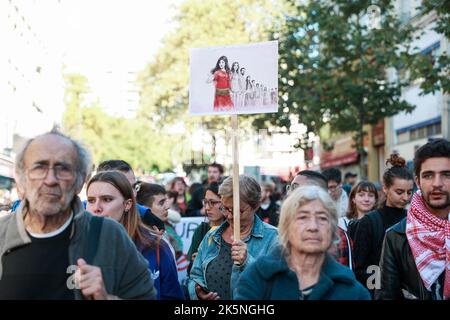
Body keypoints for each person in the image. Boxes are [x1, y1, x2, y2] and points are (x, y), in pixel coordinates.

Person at [0, 130, 155, 300]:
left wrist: (106, 297)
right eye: (39, 167)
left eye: (63, 169)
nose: (50, 179)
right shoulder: (2, 235)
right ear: (20, 178)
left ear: (80, 181)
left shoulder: (109, 235)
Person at [234, 185, 371, 300]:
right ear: (287, 225)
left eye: (322, 218)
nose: (313, 226)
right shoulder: (258, 277)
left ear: (332, 229)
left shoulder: (351, 291)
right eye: (303, 217)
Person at [86, 171, 184, 300]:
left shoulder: (156, 247)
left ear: (127, 204)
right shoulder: (75, 244)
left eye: (107, 199)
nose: (96, 208)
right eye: (91, 200)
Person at [377, 138, 450, 300]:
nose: (437, 184)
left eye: (446, 175)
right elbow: (386, 295)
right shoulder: (396, 237)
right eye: (428, 175)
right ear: (418, 181)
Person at [187, 175, 278, 300]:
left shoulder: (273, 238)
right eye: (225, 208)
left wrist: (247, 262)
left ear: (256, 206)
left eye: (238, 211)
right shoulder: (212, 236)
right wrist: (198, 293)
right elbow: (194, 276)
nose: (230, 216)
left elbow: (278, 286)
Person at [352, 153, 413, 296]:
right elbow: (361, 268)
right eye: (399, 192)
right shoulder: (369, 222)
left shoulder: (412, 219)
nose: (405, 197)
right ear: (385, 188)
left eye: (409, 192)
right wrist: (383, 288)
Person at [286, 170, 353, 270]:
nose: (290, 192)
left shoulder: (337, 236)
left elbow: (345, 278)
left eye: (295, 187)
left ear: (316, 192)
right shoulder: (284, 229)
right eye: (290, 186)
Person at [97, 160, 165, 232]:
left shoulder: (148, 220)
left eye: (134, 186)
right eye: (125, 187)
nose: (134, 194)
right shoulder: (85, 218)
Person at [186, 182, 226, 275]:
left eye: (213, 202)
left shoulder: (234, 230)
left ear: (226, 203)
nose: (207, 208)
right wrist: (195, 262)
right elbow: (190, 273)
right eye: (205, 202)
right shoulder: (201, 230)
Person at [137, 183, 183, 260]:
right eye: (161, 203)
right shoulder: (141, 239)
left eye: (166, 201)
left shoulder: (165, 228)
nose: (167, 207)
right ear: (145, 209)